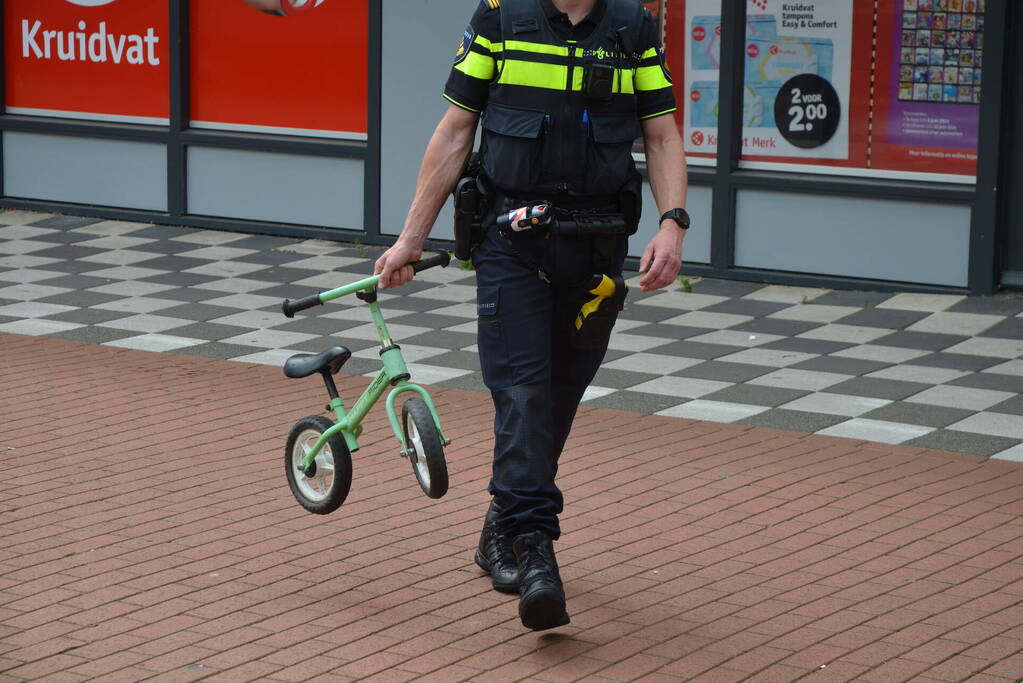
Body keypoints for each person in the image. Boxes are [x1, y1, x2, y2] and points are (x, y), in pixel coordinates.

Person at [374, 0, 688, 631]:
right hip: (511, 243)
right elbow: (455, 132)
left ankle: (501, 524)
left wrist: (672, 224)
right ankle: (534, 549)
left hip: (597, 247)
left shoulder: (632, 27)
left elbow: (660, 135)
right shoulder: (500, 18)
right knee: (522, 391)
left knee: (559, 396)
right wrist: (411, 238)